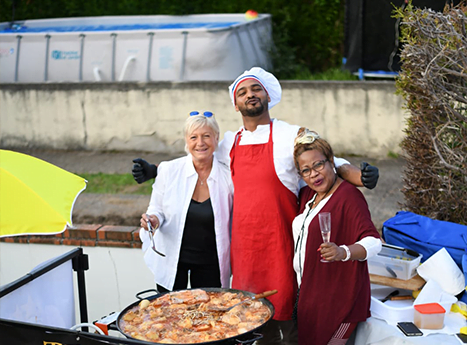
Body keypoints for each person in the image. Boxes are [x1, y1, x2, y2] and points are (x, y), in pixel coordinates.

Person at [132, 67, 379, 344]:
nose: (250, 95)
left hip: (280, 248)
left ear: (268, 94)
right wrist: (156, 170)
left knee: (283, 323)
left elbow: (328, 159)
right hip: (244, 252)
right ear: (235, 103)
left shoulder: (290, 134)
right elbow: (198, 155)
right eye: (243, 92)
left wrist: (361, 177)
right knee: (245, 321)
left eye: (256, 89)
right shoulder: (229, 142)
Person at [292, 128, 382, 345]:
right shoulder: (309, 194)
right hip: (311, 297)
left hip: (340, 302)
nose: (313, 174)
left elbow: (374, 242)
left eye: (318, 165)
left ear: (332, 161)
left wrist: (344, 252)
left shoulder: (348, 196)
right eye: (306, 170)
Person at [139, 112, 233, 292]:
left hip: (210, 261)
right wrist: (153, 220)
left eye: (206, 136)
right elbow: (156, 208)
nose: (200, 143)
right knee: (168, 314)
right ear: (186, 141)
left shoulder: (228, 177)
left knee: (209, 314)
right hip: (172, 257)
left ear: (216, 138)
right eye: (194, 137)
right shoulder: (169, 170)